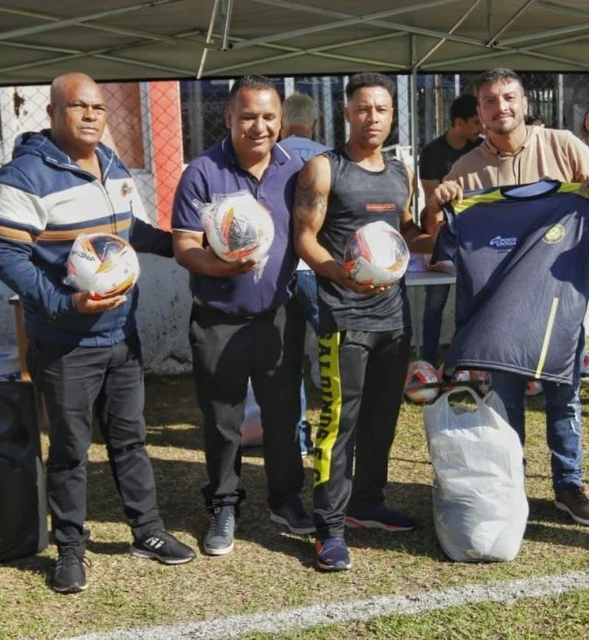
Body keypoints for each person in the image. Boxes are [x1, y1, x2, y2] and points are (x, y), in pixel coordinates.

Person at [0, 72, 195, 594]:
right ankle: (71, 550)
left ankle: (146, 532)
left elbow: (130, 230)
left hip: (122, 335)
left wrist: (183, 247)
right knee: (71, 450)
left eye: (99, 107)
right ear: (53, 113)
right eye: (79, 106)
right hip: (65, 342)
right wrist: (63, 302)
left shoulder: (114, 165)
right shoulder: (25, 175)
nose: (92, 115)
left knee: (130, 440)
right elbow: (4, 252)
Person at [422, 67, 589, 528]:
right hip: (498, 311)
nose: (501, 107)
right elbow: (435, 237)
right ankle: (510, 485)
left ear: (525, 104)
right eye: (490, 100)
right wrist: (438, 204)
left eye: (509, 97)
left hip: (555, 304)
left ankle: (569, 484)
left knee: (562, 397)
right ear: (480, 111)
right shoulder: (466, 171)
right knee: (503, 401)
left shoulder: (564, 146)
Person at [293, 72, 435, 572]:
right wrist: (340, 273)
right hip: (343, 317)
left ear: (390, 115)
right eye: (364, 108)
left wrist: (436, 219)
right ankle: (329, 527)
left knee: (382, 418)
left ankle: (367, 504)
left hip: (394, 316)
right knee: (339, 424)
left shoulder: (402, 172)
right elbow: (304, 237)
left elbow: (408, 234)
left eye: (382, 109)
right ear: (347, 112)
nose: (372, 117)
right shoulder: (323, 169)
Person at [171, 75, 312, 558]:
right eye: (248, 116)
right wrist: (219, 264)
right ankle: (224, 503)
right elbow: (185, 246)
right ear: (228, 117)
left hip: (277, 314)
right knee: (222, 417)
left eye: (269, 116)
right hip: (218, 317)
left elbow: (313, 230)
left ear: (281, 120)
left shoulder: (297, 171)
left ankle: (286, 498)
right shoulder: (203, 172)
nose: (259, 126)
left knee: (283, 413)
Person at [278, 92, 330, 455]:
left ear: (281, 122)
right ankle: (335, 431)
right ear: (314, 122)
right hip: (318, 266)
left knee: (287, 358)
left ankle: (296, 440)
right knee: (334, 354)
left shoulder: (271, 157)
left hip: (279, 269)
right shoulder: (329, 157)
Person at [416, 94, 483, 365]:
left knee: (472, 302)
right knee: (435, 301)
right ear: (458, 122)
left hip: (478, 239)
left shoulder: (482, 149)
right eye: (476, 121)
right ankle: (429, 360)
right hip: (444, 238)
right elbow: (435, 204)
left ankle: (465, 360)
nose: (482, 127)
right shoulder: (432, 153)